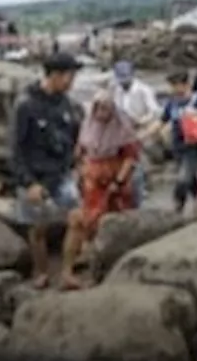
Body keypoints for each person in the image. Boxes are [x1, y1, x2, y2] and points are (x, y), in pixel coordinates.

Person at [10, 51, 84, 288]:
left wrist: (77, 160)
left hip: (60, 174)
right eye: (69, 76)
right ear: (54, 75)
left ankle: (67, 273)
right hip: (35, 176)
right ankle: (41, 272)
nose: (72, 82)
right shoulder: (26, 105)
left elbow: (72, 135)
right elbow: (16, 149)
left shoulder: (65, 103)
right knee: (38, 229)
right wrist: (28, 181)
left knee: (78, 220)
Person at [60, 91, 140, 289]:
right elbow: (80, 151)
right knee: (87, 221)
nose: (102, 113)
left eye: (106, 108)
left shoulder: (122, 128)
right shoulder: (87, 126)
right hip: (91, 182)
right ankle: (76, 267)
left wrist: (118, 181)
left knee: (112, 224)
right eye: (98, 108)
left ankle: (104, 268)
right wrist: (79, 171)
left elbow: (130, 158)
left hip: (115, 183)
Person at [161, 70, 197, 216]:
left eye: (176, 85)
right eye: (171, 85)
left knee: (183, 178)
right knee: (191, 179)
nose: (173, 89)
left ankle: (176, 208)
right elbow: (163, 120)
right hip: (177, 145)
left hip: (193, 145)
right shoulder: (172, 102)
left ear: (186, 84)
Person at [110, 60, 162, 207]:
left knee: (137, 158)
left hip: (141, 128)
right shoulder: (116, 90)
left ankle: (142, 188)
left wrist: (141, 121)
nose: (123, 83)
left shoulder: (144, 90)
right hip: (123, 130)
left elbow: (155, 111)